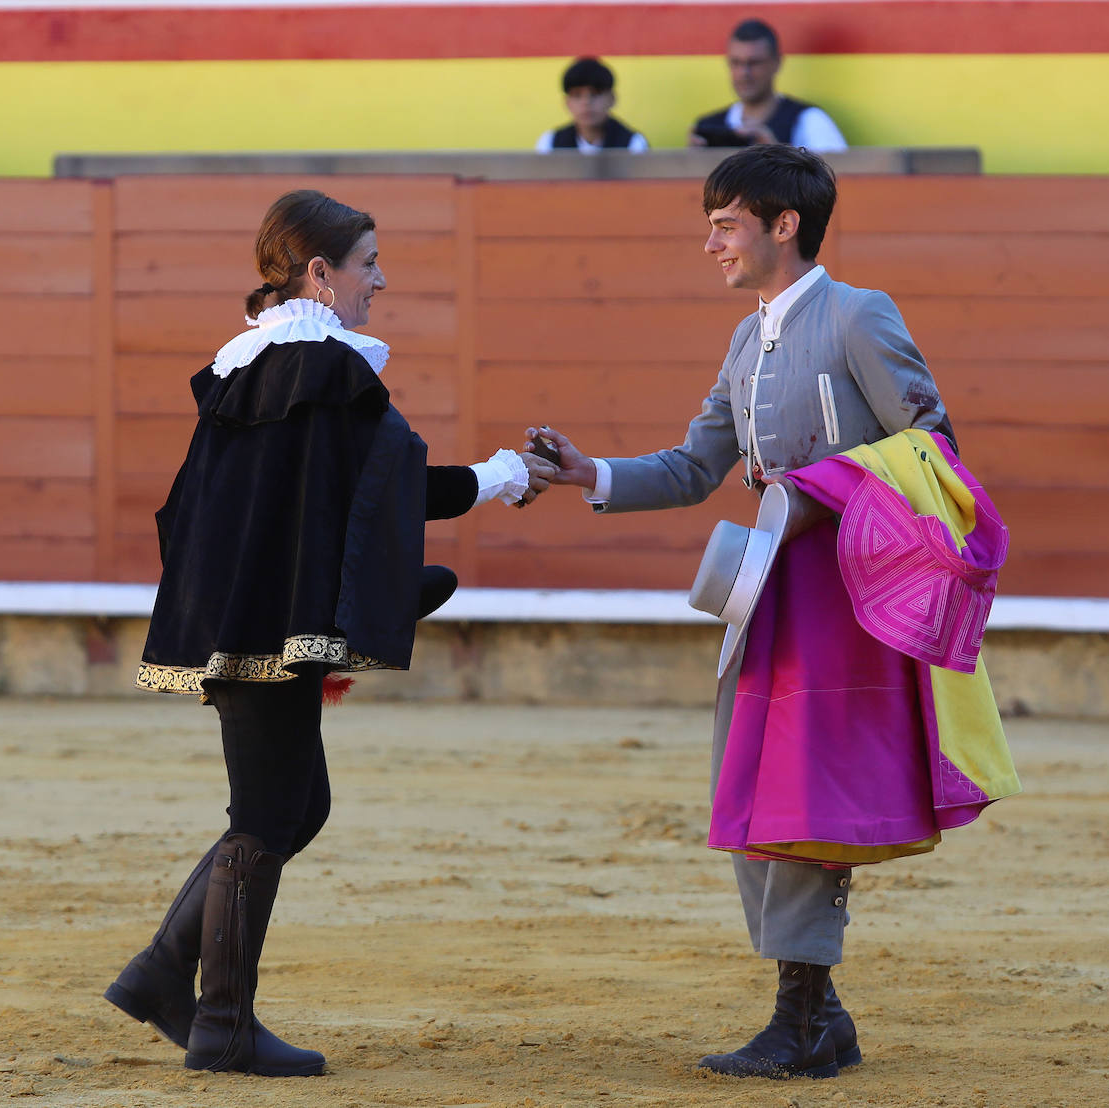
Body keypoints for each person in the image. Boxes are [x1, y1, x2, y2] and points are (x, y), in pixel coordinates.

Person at [527, 145, 959, 1080]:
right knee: (757, 786)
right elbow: (694, 468)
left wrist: (816, 493)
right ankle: (817, 1012)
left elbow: (933, 448)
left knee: (806, 795)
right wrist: (586, 474)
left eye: (726, 225)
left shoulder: (855, 316)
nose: (712, 245)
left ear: (784, 224)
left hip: (843, 592)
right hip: (767, 590)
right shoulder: (745, 337)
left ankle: (804, 1015)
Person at [105, 189, 557, 1078]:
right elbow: (396, 488)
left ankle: (165, 975)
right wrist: (507, 473)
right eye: (369, 262)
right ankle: (221, 1021)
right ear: (321, 270)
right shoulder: (324, 365)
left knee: (292, 807)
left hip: (240, 619)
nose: (378, 280)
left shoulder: (247, 363)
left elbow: (303, 509)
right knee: (272, 813)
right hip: (272, 629)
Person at [689, 19, 846, 151]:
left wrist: (775, 153)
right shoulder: (708, 125)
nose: (744, 73)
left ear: (777, 63)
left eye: (754, 63)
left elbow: (838, 179)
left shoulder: (809, 120)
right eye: (736, 63)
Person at [536, 56, 649, 153]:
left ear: (612, 99)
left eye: (595, 94)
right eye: (577, 95)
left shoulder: (633, 144)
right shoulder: (550, 143)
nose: (586, 102)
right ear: (567, 103)